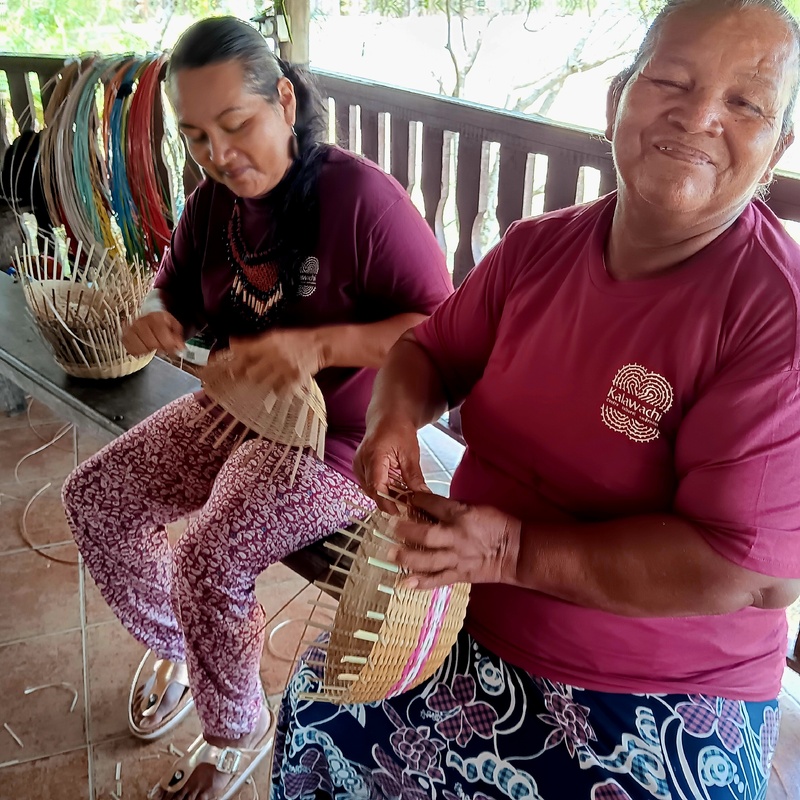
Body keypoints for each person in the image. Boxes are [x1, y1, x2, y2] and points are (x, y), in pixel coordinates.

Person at [270, 1, 800, 798]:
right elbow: (427, 351)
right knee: (316, 707)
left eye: (745, 102)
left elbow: (747, 573)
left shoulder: (773, 313)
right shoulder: (535, 249)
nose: (698, 116)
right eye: (671, 81)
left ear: (778, 148)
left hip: (660, 692)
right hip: (463, 618)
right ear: (618, 94)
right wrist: (391, 427)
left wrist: (511, 553)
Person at [61, 15, 452, 800]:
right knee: (97, 499)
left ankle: (233, 732)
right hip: (238, 405)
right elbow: (171, 286)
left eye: (236, 125)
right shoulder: (213, 202)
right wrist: (158, 315)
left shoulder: (357, 196)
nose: (219, 155)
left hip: (343, 435)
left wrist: (318, 346)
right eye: (197, 136)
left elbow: (442, 329)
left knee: (210, 554)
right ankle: (194, 650)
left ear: (281, 98)